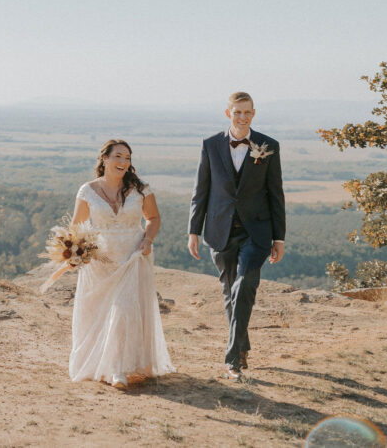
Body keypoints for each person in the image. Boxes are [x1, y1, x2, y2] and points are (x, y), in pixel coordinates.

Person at [188, 91, 286, 380]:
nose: (243, 117)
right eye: (237, 112)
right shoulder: (210, 145)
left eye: (248, 112)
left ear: (253, 114)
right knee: (229, 292)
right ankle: (242, 346)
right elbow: (201, 191)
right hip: (220, 230)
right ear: (227, 113)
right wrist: (193, 229)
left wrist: (278, 237)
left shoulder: (269, 146)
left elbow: (275, 194)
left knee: (244, 286)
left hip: (256, 232)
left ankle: (232, 358)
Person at [69, 139, 175, 389]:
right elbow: (77, 226)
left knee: (125, 310)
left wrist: (148, 239)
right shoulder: (87, 190)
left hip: (133, 256)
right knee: (100, 312)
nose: (123, 162)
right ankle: (101, 364)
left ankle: (118, 369)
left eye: (127, 158)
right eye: (118, 156)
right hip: (101, 262)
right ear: (104, 158)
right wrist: (75, 253)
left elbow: (153, 217)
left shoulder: (141, 189)